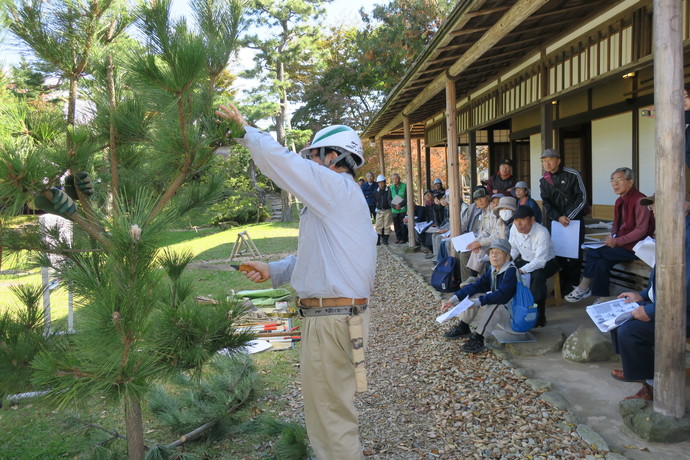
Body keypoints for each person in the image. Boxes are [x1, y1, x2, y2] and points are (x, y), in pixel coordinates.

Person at [216, 104, 376, 460]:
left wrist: (246, 131)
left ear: (334, 156)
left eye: (314, 157)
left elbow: (285, 166)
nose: (310, 166)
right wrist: (274, 271)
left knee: (330, 419)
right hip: (342, 317)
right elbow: (321, 259)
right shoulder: (341, 199)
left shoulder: (335, 187)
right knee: (334, 410)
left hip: (331, 320)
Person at [610, 195, 690, 401]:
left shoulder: (686, 234)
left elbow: (686, 288)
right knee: (618, 315)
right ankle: (635, 368)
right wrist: (642, 295)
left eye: (658, 207)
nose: (653, 212)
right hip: (667, 303)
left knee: (630, 330)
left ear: (685, 206)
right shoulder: (672, 230)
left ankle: (652, 386)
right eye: (653, 208)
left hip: (682, 312)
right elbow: (662, 279)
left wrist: (651, 310)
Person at [565, 168, 654, 302]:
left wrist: (618, 241)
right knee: (601, 263)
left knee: (593, 253)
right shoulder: (619, 201)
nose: (615, 184)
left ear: (630, 182)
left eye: (619, 180)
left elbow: (641, 230)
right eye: (612, 180)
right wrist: (612, 237)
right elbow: (616, 225)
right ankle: (603, 298)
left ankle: (584, 286)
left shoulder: (640, 200)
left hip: (637, 247)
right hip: (622, 245)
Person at [441, 239, 518, 352]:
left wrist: (478, 302)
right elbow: (476, 286)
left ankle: (478, 338)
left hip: (514, 316)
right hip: (503, 312)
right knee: (474, 294)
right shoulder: (493, 269)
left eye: (498, 252)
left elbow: (503, 296)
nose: (494, 255)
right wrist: (452, 300)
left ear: (507, 257)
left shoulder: (511, 271)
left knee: (495, 304)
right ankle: (463, 326)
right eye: (492, 252)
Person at [538, 148, 588, 291]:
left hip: (574, 221)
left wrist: (569, 216)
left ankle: (572, 285)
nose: (546, 164)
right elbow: (546, 203)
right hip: (557, 222)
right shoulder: (544, 180)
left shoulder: (573, 174)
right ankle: (560, 286)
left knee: (574, 255)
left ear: (558, 161)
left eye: (549, 160)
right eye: (544, 161)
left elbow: (582, 197)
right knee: (557, 254)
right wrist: (558, 217)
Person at [509, 205, 560, 327]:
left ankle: (539, 317)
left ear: (532, 220)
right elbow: (514, 249)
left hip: (548, 262)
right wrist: (508, 262)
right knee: (507, 270)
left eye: (522, 219)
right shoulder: (514, 228)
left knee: (538, 275)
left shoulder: (542, 232)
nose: (518, 223)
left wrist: (522, 270)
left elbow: (540, 262)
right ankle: (512, 309)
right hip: (526, 260)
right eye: (516, 220)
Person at [457, 188, 490, 282]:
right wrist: (476, 242)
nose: (480, 201)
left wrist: (478, 243)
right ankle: (464, 281)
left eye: (482, 198)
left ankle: (470, 283)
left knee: (465, 254)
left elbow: (493, 234)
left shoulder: (491, 211)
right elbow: (484, 231)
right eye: (477, 199)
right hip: (478, 238)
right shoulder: (479, 210)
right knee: (459, 250)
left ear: (487, 197)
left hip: (490, 243)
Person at [374, 174, 393, 245]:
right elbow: (375, 199)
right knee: (378, 225)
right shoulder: (376, 191)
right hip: (379, 210)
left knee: (387, 225)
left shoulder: (389, 190)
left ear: (384, 182)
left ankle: (385, 241)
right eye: (379, 182)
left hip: (387, 210)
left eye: (382, 182)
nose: (380, 184)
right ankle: (378, 240)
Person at [390, 173, 408, 244]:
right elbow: (389, 199)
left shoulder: (404, 186)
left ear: (399, 178)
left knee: (403, 224)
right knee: (396, 224)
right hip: (394, 210)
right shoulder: (391, 187)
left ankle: (404, 238)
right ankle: (398, 237)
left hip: (403, 208)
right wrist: (394, 206)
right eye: (393, 178)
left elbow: (407, 197)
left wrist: (400, 204)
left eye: (396, 178)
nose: (395, 179)